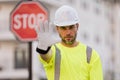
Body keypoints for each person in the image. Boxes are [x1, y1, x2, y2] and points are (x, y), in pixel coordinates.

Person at [36, 5, 103, 80]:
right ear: (57, 28)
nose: (68, 32)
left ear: (77, 26)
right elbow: (46, 56)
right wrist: (43, 48)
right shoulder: (52, 50)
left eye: (71, 27)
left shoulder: (91, 55)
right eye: (63, 28)